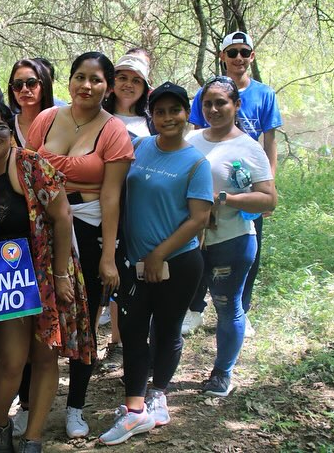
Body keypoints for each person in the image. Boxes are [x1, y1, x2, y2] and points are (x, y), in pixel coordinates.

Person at [0, 100, 90, 453]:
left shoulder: (28, 164)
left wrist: (62, 274)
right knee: (12, 360)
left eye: (1, 127)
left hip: (44, 273)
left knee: (46, 356)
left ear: (11, 131)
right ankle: (1, 425)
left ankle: (33, 436)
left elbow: (63, 216)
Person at [24, 51, 134, 439]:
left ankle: (75, 406)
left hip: (88, 231)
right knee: (35, 318)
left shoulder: (114, 131)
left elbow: (110, 196)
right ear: (69, 80)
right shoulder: (46, 119)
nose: (87, 86)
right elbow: (28, 173)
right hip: (42, 229)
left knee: (84, 321)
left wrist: (107, 257)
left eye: (96, 79)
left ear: (108, 86)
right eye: (80, 77)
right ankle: (28, 404)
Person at [97, 83, 212, 445]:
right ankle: (134, 411)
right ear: (152, 116)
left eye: (174, 111)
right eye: (160, 112)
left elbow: (199, 219)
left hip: (177, 263)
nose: (167, 118)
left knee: (166, 330)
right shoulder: (141, 147)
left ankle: (159, 394)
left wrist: (160, 254)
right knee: (132, 333)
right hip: (133, 262)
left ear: (186, 114)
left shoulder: (196, 163)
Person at [184, 31, 282, 336]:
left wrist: (267, 185)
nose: (239, 58)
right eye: (233, 52)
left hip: (248, 181)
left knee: (247, 246)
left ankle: (242, 308)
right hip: (210, 182)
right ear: (223, 57)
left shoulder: (264, 94)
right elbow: (197, 135)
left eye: (244, 52)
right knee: (200, 246)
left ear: (251, 56)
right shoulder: (208, 92)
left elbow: (270, 141)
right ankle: (194, 308)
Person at [186, 76, 277, 397]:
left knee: (227, 306)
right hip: (188, 241)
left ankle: (222, 373)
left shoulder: (249, 148)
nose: (213, 109)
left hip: (232, 241)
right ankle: (157, 367)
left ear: (236, 105)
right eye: (207, 103)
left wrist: (222, 199)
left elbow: (268, 200)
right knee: (172, 305)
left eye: (221, 102)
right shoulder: (190, 140)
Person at [97, 53, 154, 373]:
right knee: (107, 277)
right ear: (111, 82)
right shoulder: (99, 118)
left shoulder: (151, 122)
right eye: (122, 78)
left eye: (136, 80)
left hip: (140, 210)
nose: (128, 85)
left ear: (145, 86)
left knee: (132, 277)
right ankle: (107, 344)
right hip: (101, 207)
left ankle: (128, 343)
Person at [8, 59, 55, 147]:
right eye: (18, 85)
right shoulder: (7, 127)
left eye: (31, 83)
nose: (24, 89)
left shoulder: (58, 123)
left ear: (44, 86)